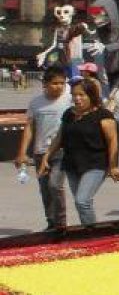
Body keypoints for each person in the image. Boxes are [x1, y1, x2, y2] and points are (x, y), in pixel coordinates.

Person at [38, 78, 119, 225]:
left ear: (91, 96)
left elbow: (113, 141)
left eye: (82, 95)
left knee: (82, 201)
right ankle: (86, 230)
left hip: (95, 164)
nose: (77, 98)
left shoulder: (104, 115)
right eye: (74, 95)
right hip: (72, 165)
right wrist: (47, 156)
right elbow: (59, 137)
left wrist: (113, 165)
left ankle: (92, 235)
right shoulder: (69, 114)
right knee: (81, 202)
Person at [15, 67, 71, 231]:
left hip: (61, 151)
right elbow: (30, 128)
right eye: (54, 83)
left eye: (62, 83)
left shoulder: (70, 100)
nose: (59, 86)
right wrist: (22, 152)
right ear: (45, 84)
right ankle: (51, 222)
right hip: (40, 152)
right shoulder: (36, 102)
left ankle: (61, 223)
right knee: (46, 190)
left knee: (55, 185)